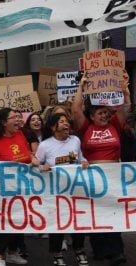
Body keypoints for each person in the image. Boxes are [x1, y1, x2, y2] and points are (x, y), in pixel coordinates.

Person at [72, 71, 130, 266]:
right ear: (91, 116)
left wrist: (124, 89)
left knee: (113, 211)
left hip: (114, 177)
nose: (105, 115)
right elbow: (76, 110)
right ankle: (99, 248)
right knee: (96, 213)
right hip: (92, 178)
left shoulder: (115, 124)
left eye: (106, 112)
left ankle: (116, 251)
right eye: (100, 113)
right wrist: (82, 85)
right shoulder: (85, 127)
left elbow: (124, 108)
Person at [0, 108, 39, 266]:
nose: (19, 120)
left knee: (19, 220)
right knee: (10, 221)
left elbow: (26, 155)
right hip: (3, 191)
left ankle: (12, 252)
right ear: (4, 122)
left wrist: (32, 158)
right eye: (14, 117)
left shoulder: (20, 135)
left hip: (23, 187)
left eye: (19, 117)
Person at [35, 113, 89, 266]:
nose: (66, 124)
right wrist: (41, 167)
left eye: (67, 121)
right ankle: (57, 253)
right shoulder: (45, 145)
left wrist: (84, 162)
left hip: (75, 191)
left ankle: (79, 250)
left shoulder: (75, 140)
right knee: (57, 223)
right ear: (53, 127)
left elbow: (80, 158)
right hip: (55, 193)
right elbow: (36, 164)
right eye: (62, 122)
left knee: (78, 221)